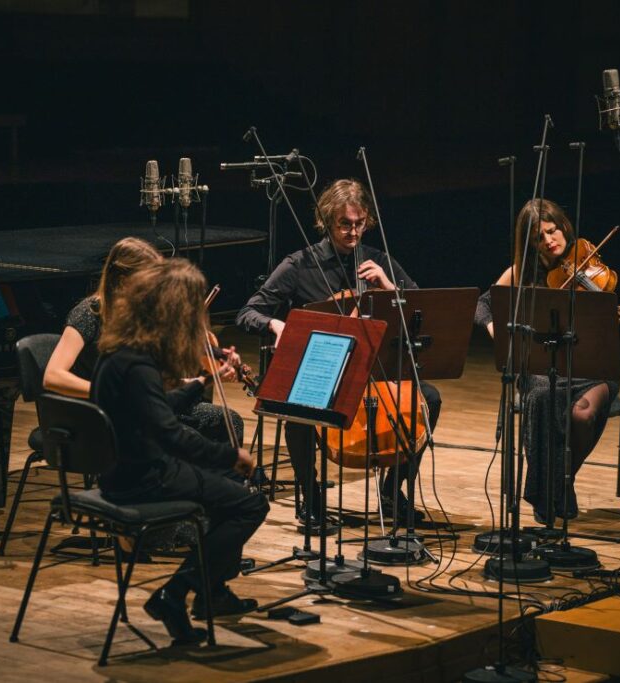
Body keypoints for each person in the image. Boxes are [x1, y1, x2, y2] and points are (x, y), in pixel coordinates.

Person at [236, 178, 441, 526]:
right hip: (323, 373)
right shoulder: (300, 265)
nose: (353, 232)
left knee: (428, 399)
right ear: (327, 221)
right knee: (298, 408)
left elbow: (422, 311)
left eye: (359, 224)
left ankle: (393, 490)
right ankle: (309, 493)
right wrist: (277, 325)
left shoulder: (378, 260)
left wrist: (389, 288)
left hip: (375, 374)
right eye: (344, 224)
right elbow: (248, 312)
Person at [92, 258, 268, 644]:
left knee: (228, 493)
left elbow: (155, 411)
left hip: (122, 469)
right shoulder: (137, 364)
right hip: (142, 478)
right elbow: (170, 434)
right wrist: (231, 456)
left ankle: (210, 593)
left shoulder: (121, 351)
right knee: (250, 504)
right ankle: (177, 592)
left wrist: (203, 381)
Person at [474, 198, 618, 522]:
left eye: (552, 231)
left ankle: (561, 481)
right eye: (539, 237)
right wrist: (496, 329)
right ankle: (556, 491)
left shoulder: (586, 263)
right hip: (542, 367)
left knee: (582, 416)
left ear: (563, 227)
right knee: (539, 395)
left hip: (590, 369)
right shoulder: (522, 271)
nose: (549, 241)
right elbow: (483, 305)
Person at [43, 236, 244, 443]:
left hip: (145, 406)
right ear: (122, 280)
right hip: (106, 414)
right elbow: (53, 376)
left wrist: (204, 375)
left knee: (228, 421)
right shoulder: (90, 313)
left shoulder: (140, 316)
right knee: (183, 438)